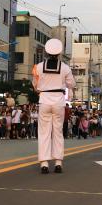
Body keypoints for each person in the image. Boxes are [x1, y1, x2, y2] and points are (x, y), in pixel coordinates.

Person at [32, 38, 75, 173]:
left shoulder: (38, 67)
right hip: (58, 101)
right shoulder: (65, 67)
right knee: (58, 132)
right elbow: (72, 84)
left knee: (44, 133)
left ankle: (44, 163)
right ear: (59, 53)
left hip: (44, 100)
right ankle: (58, 163)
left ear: (46, 52)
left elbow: (35, 85)